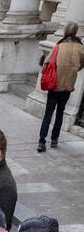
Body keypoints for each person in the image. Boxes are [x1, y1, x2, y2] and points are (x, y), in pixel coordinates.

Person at [38, 22, 84, 152]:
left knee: (48, 114)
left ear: (65, 31)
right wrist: (73, 71)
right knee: (60, 113)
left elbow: (47, 62)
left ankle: (42, 141)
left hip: (54, 85)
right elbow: (81, 64)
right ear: (75, 32)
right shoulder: (80, 48)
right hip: (68, 86)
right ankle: (54, 139)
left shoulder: (59, 46)